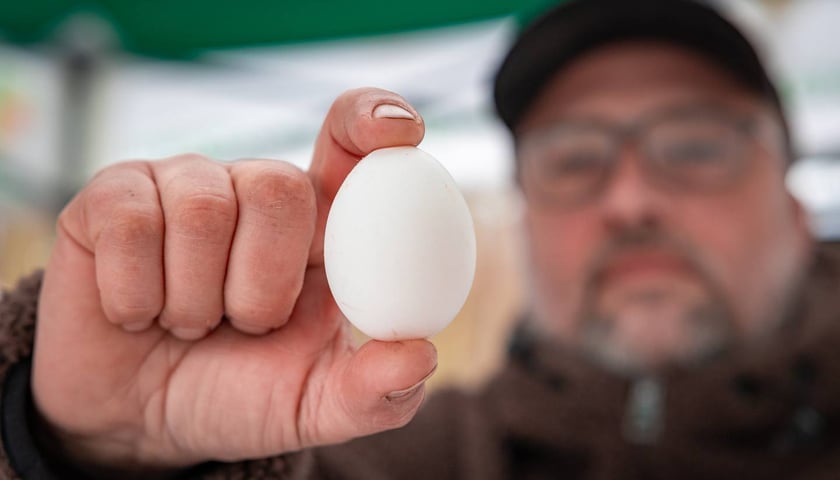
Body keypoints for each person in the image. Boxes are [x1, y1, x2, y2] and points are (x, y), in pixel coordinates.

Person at [1, 0, 839, 478]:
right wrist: (96, 458)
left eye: (695, 145)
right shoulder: (389, 461)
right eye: (574, 159)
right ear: (523, 214)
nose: (630, 198)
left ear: (797, 203)